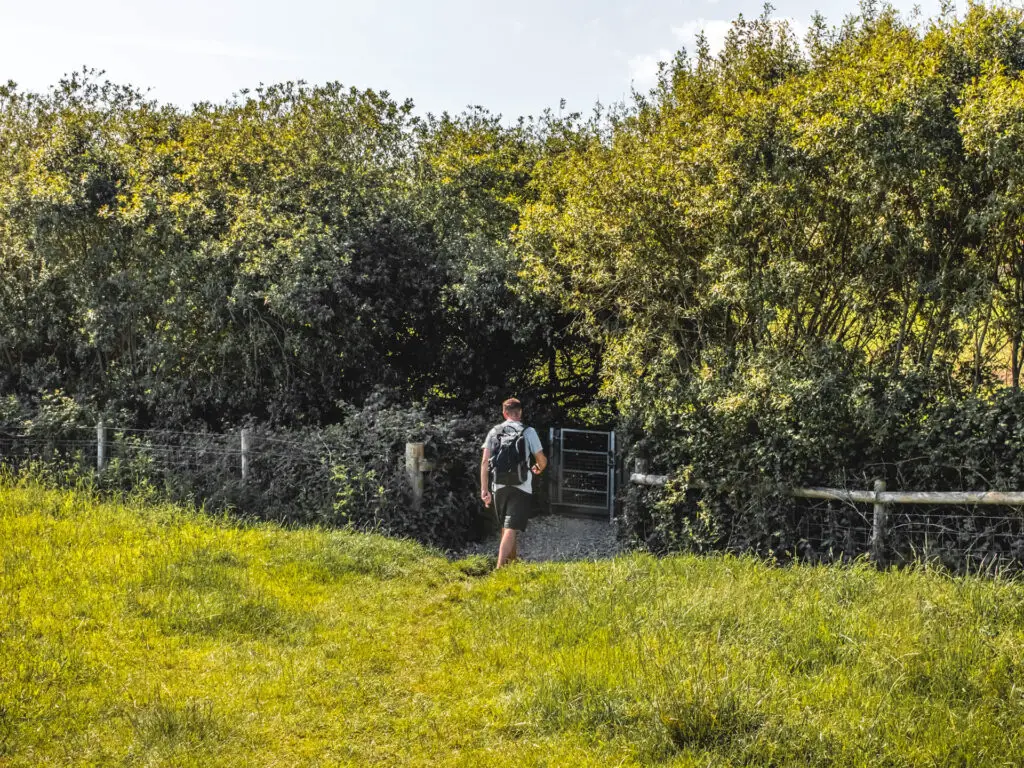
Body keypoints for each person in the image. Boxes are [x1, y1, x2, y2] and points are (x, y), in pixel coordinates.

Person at [480, 398, 547, 568]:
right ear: (520, 412)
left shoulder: (494, 431)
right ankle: (499, 568)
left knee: (506, 525)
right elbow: (541, 459)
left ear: (504, 413)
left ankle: (513, 562)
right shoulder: (528, 431)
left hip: (498, 485)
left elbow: (484, 462)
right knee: (511, 527)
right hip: (521, 486)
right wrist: (539, 467)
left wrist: (484, 490)